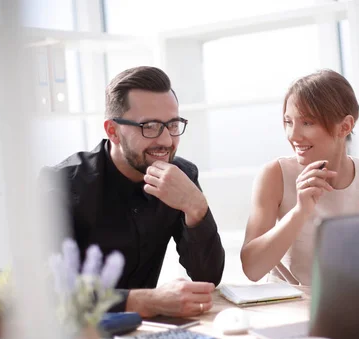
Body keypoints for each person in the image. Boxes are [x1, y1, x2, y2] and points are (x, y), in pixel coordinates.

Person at [40, 66, 225, 317]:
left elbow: (208, 278)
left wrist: (197, 208)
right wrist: (149, 301)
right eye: (149, 126)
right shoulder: (60, 185)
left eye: (172, 124)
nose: (166, 141)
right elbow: (48, 292)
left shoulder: (182, 176)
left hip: (147, 334)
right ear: (113, 131)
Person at [241, 69, 359, 285]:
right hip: (288, 309)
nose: (293, 135)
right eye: (288, 122)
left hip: (354, 308)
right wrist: (300, 211)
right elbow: (252, 268)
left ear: (345, 126)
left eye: (307, 122)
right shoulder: (274, 176)